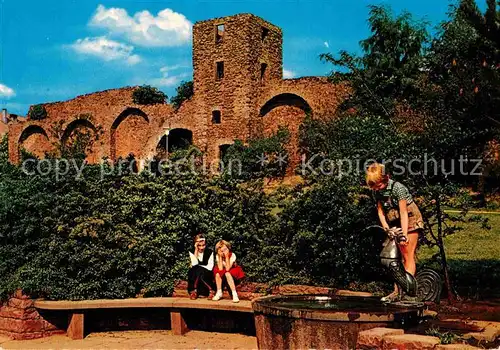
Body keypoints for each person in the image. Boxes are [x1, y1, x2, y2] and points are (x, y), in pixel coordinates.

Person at [366, 162, 424, 302]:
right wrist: (388, 229)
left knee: (407, 255)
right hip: (395, 221)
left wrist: (403, 235)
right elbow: (380, 212)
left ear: (385, 178)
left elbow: (403, 213)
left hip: (410, 219)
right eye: (373, 186)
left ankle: (407, 291)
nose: (376, 188)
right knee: (394, 260)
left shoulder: (398, 188)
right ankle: (396, 292)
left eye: (378, 185)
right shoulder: (377, 192)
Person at [188, 234, 215, 300]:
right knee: (194, 270)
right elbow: (194, 264)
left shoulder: (209, 252)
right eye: (199, 245)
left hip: (207, 273)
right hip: (195, 273)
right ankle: (196, 291)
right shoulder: (191, 251)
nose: (201, 248)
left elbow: (210, 267)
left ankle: (195, 290)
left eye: (203, 245)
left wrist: (199, 267)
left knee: (199, 270)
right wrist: (196, 250)